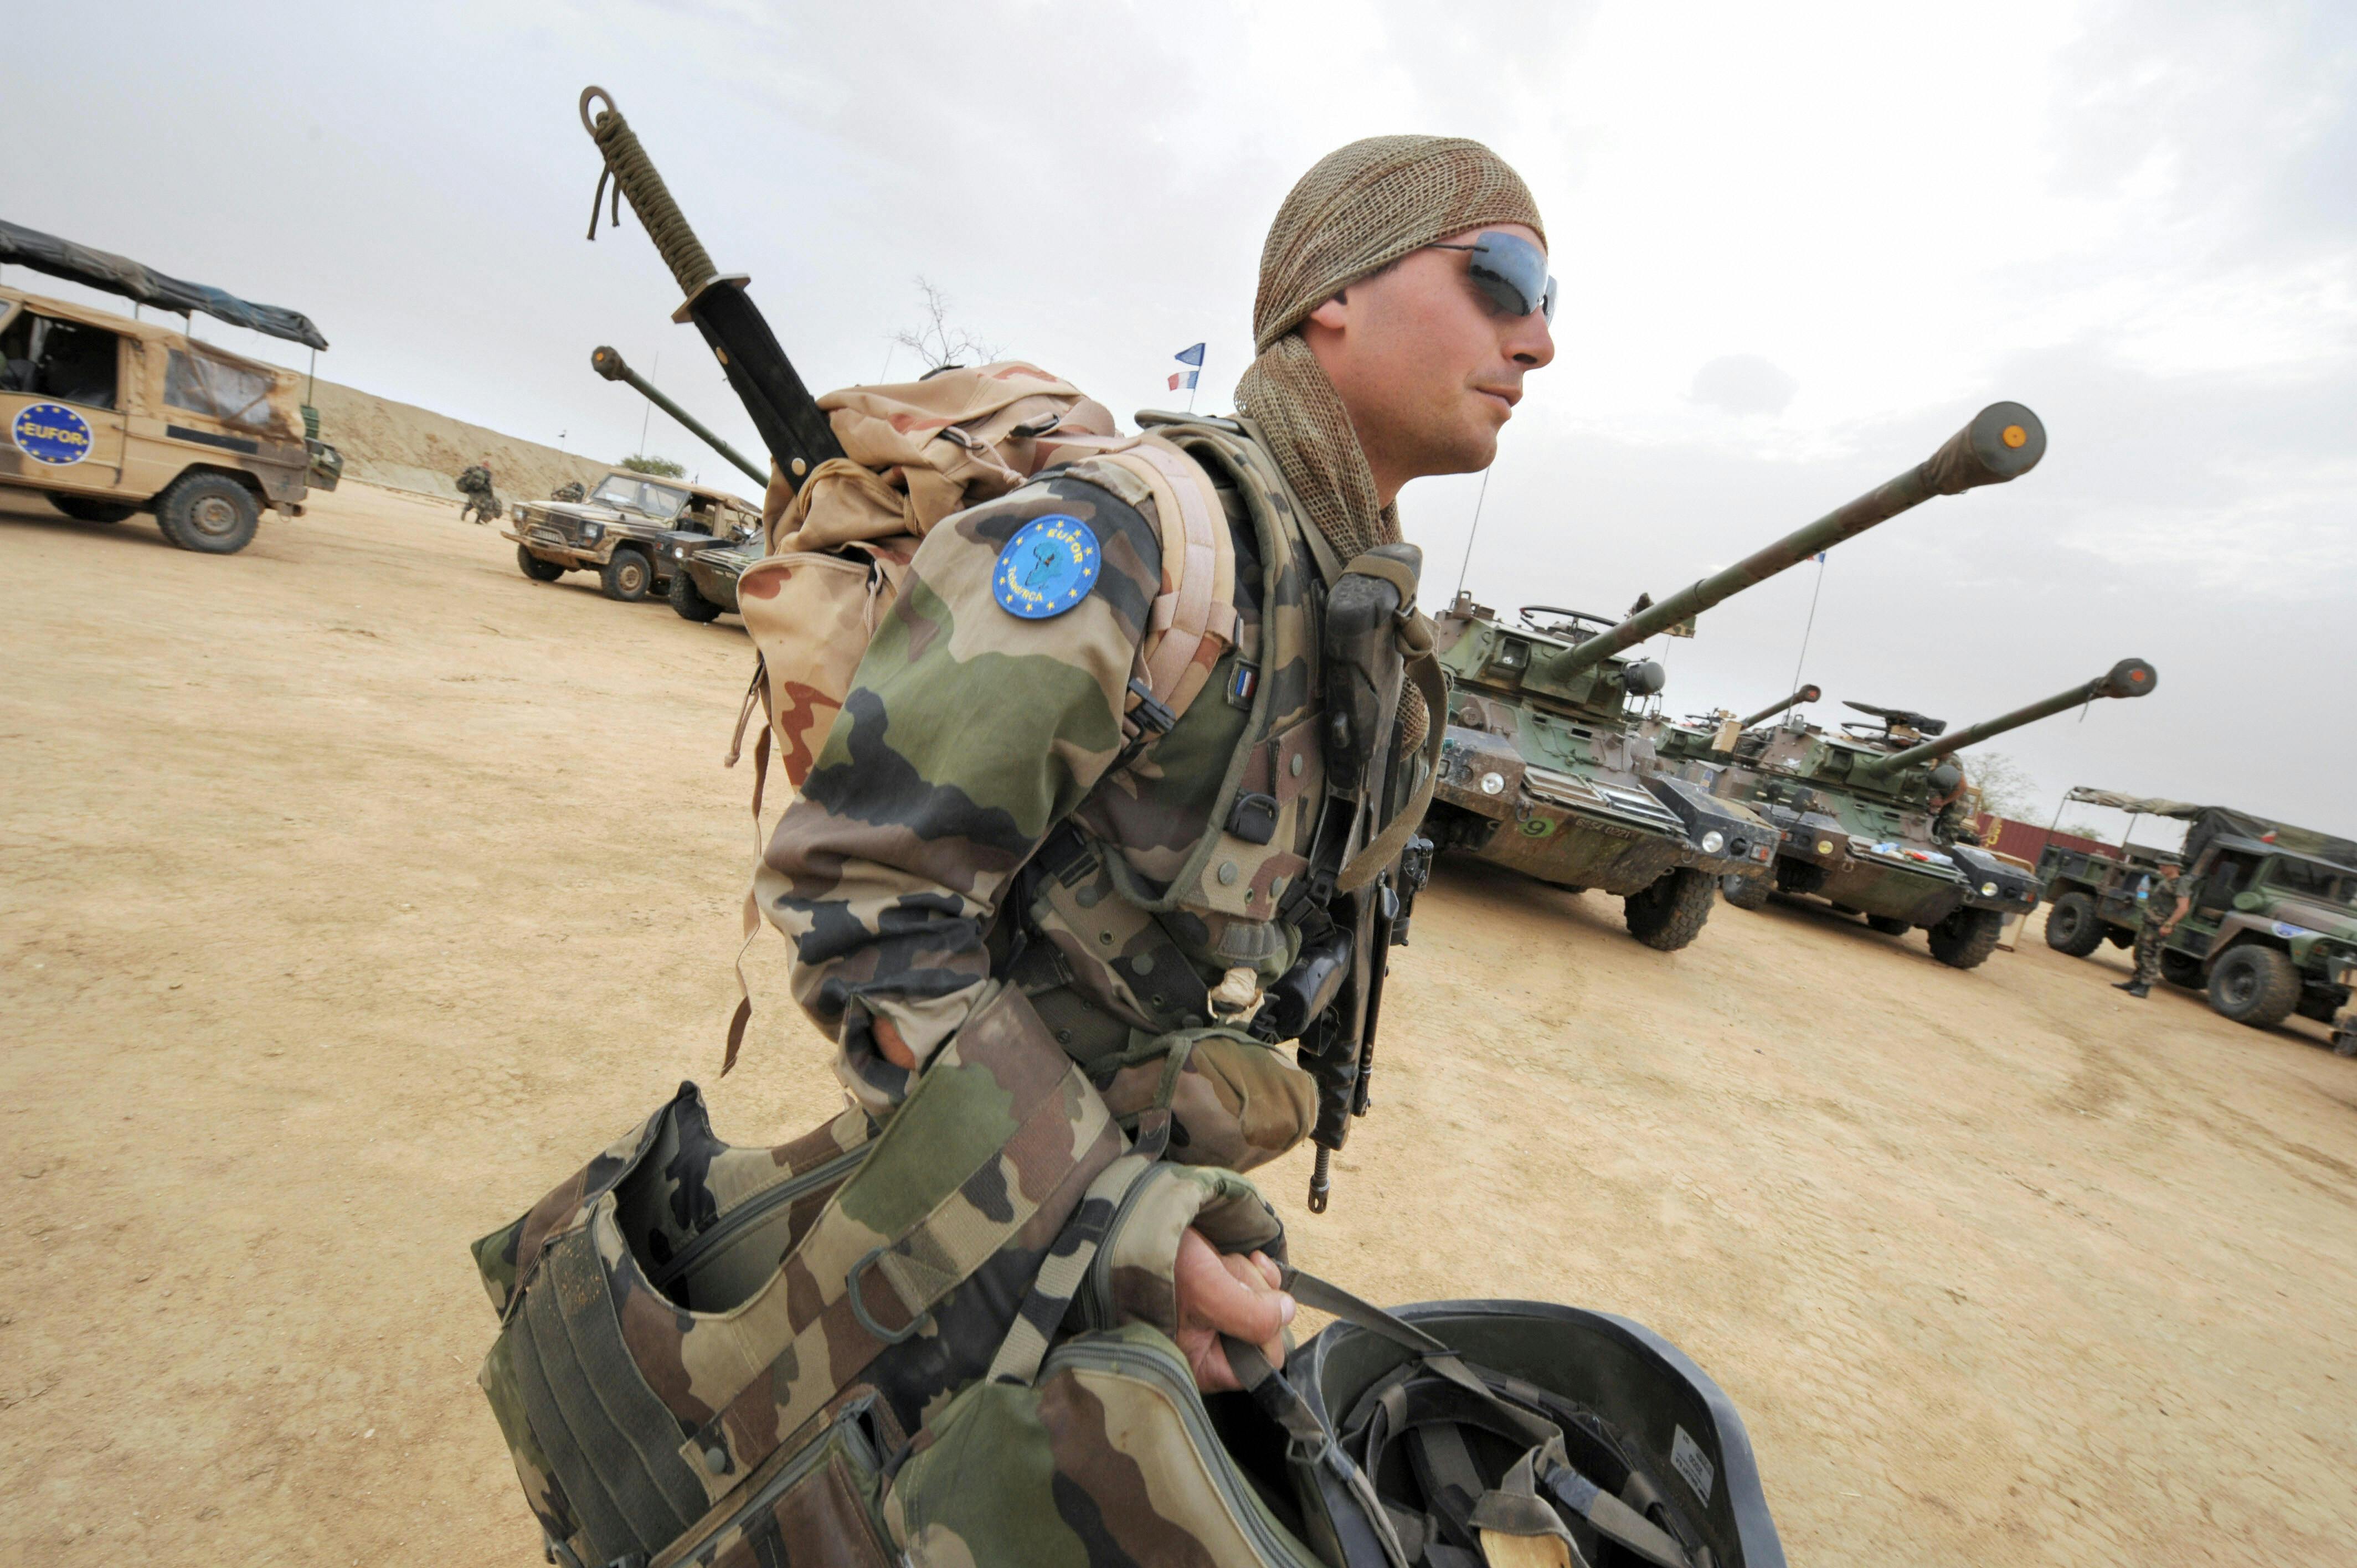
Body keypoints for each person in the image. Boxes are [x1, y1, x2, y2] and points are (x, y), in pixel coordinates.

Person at [756, 135, 1553, 1421]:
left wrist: (1181, 1222)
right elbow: (861, 907)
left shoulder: (1341, 593)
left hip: (1126, 1243)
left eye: (1547, 306)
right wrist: (1124, 1230)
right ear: (1330, 294)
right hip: (970, 1256)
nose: (1538, 343)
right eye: (1503, 280)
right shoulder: (1126, 538)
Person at [2116, 855, 2195, 998]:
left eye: (2165, 864)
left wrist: (2169, 924)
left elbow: (2183, 908)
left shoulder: (2180, 884)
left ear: (2176, 867)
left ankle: (2145, 986)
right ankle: (2136, 981)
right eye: (2160, 864)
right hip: (2149, 922)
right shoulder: (2164, 882)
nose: (2161, 867)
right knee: (2139, 952)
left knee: (2151, 955)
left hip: (2160, 926)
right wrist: (2144, 894)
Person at [1928, 766, 1983, 847]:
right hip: (1948, 805)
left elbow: (1963, 786)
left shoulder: (1951, 761)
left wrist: (1943, 802)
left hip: (1955, 807)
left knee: (1945, 839)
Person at [455, 458, 501, 524]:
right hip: (481, 492)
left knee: (471, 502)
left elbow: (464, 472)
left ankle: (465, 511)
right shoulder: (488, 473)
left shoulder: (475, 468)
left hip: (471, 490)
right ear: (488, 465)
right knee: (482, 506)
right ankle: (478, 520)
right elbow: (489, 484)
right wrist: (491, 494)